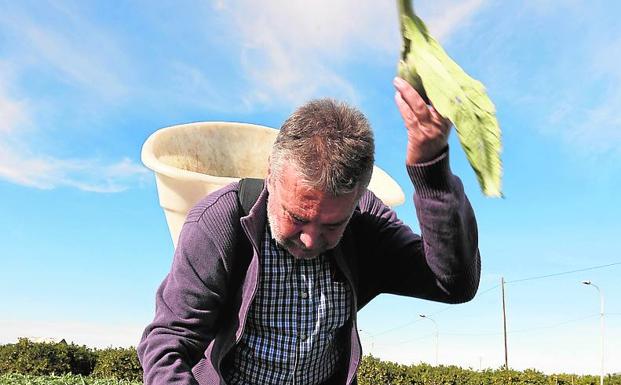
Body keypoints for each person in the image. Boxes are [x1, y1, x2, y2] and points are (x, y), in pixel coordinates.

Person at [137, 77, 480, 385]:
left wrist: (431, 172)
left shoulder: (365, 223)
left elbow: (453, 283)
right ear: (271, 173)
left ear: (359, 197)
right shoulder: (218, 223)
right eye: (297, 217)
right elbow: (168, 343)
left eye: (333, 225)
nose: (311, 239)